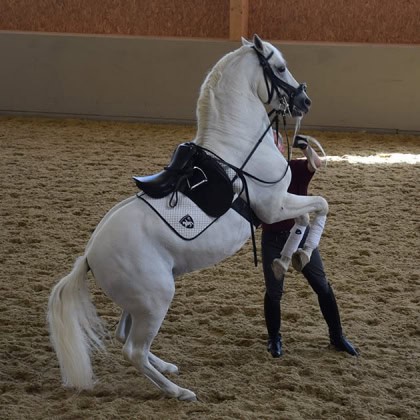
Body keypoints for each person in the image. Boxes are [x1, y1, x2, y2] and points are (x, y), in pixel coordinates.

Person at [261, 132, 358, 358]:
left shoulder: (295, 168)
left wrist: (305, 147)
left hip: (301, 236)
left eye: (276, 143)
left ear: (282, 148)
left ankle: (337, 336)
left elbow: (317, 163)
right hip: (273, 239)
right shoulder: (261, 175)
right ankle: (274, 338)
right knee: (274, 292)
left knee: (321, 285)